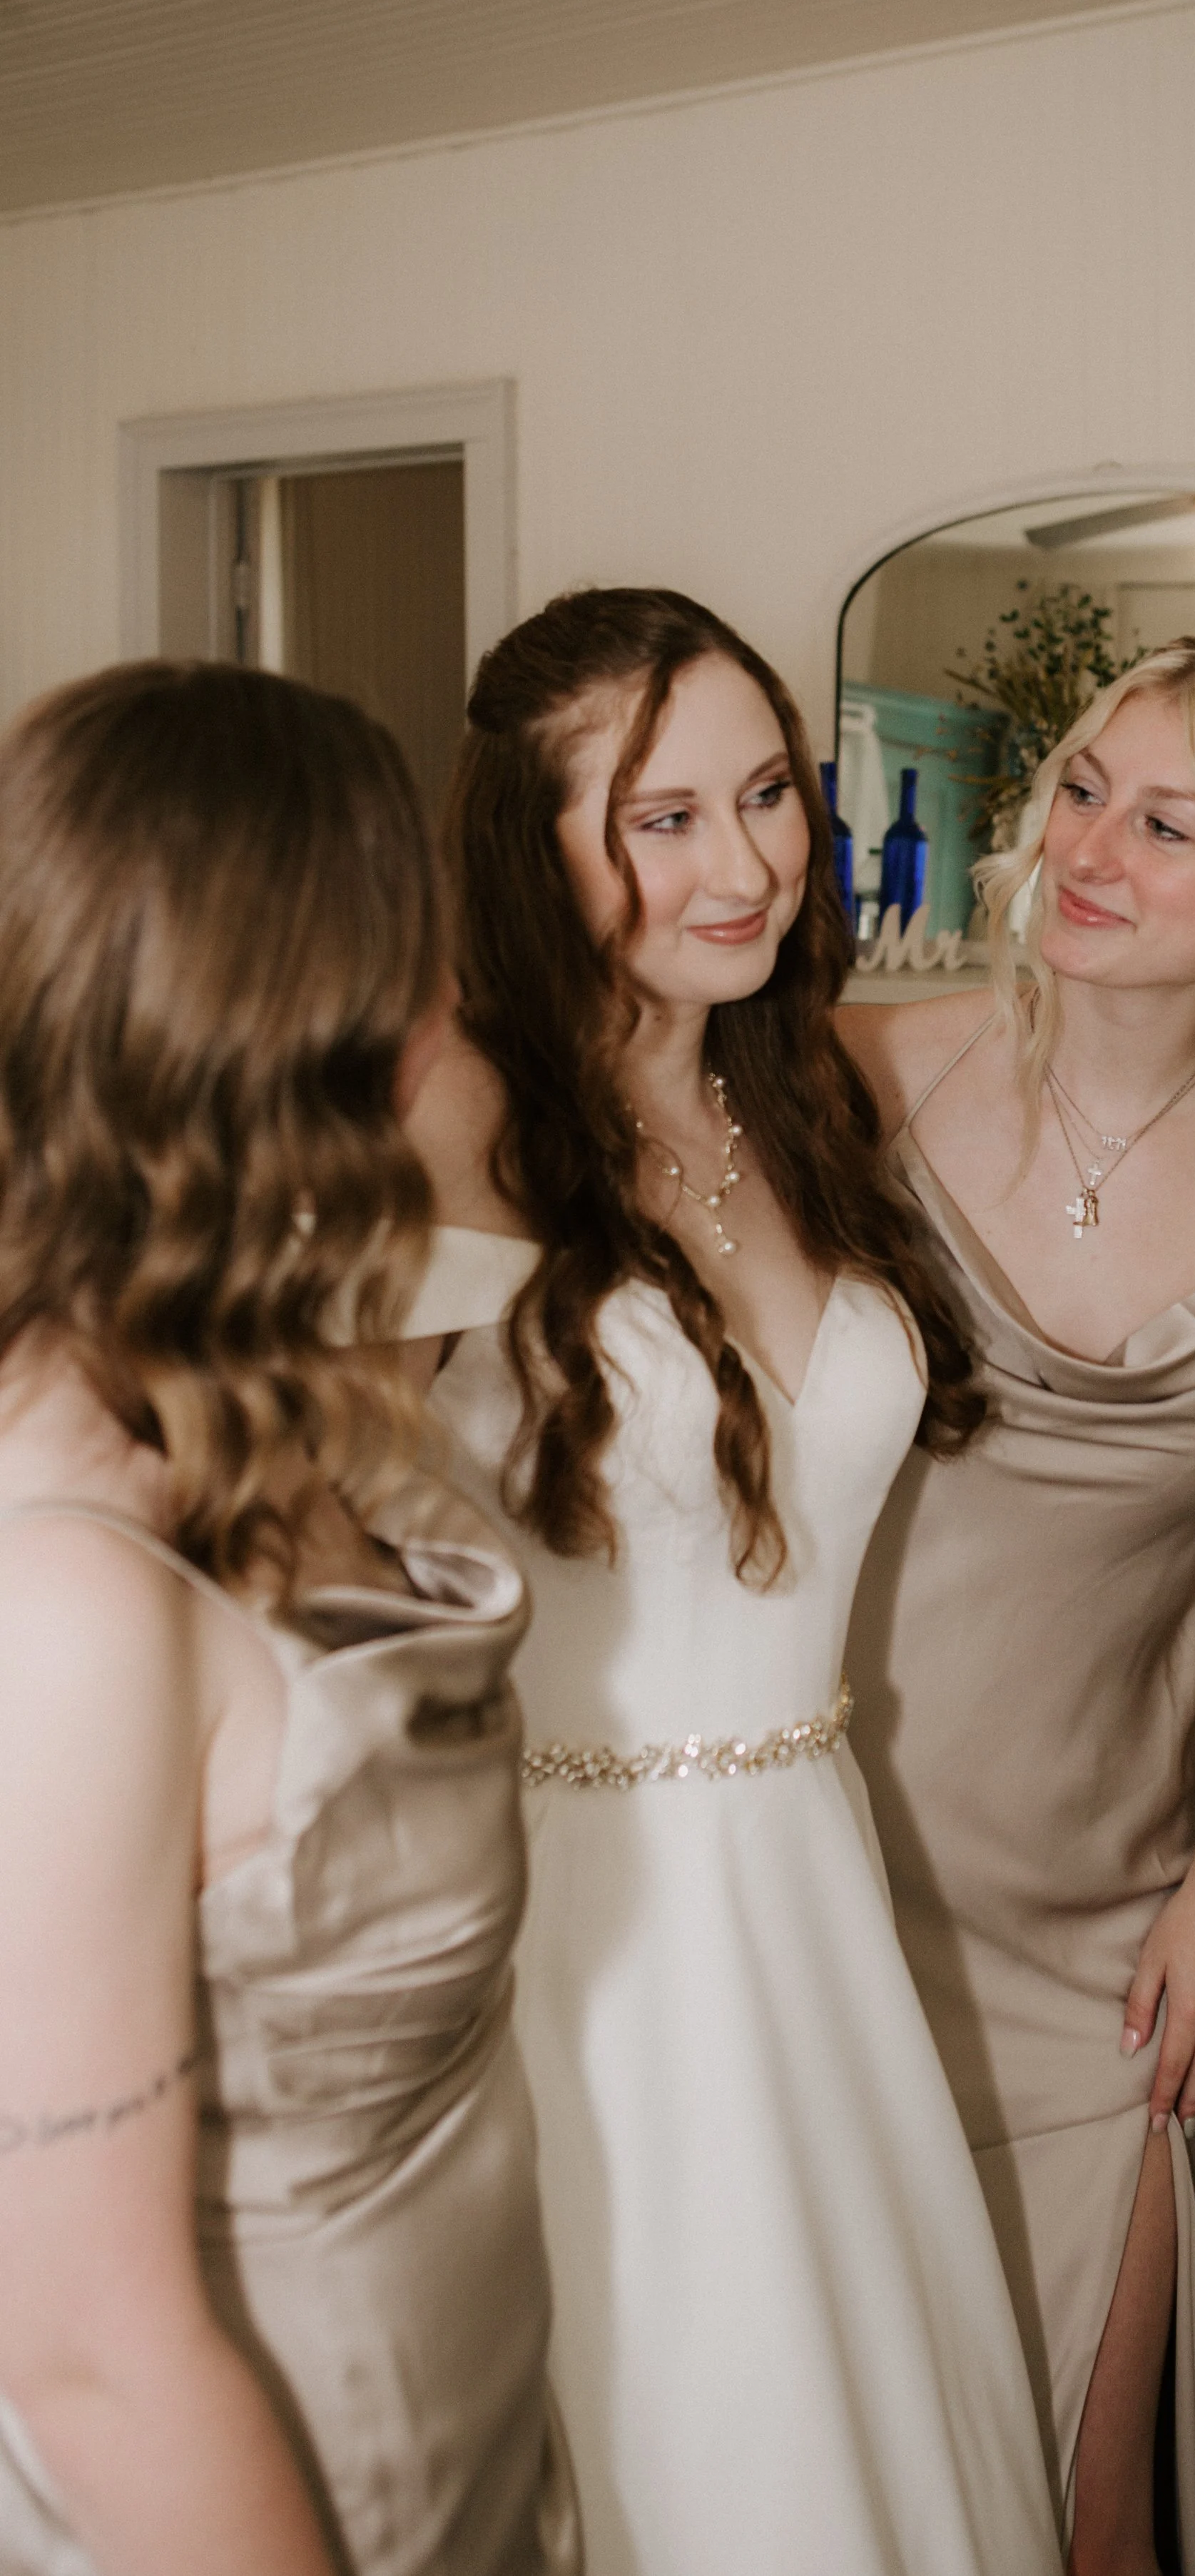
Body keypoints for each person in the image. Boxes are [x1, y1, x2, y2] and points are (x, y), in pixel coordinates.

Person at [402, 587, 1062, 2576]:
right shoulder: (460, 1112)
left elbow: (1110, 1036)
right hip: (576, 1931)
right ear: (532, 849)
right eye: (662, 818)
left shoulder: (800, 1091)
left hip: (810, 1877)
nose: (747, 863)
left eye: (767, 792)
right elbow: (265, 1487)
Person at [840, 635, 1195, 2576]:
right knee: (836, 2459)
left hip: (1102, 1909)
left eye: (1169, 825)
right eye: (1083, 789)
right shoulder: (864, 1068)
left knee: (1089, 2507)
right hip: (820, 1864)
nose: (1088, 849)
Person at [0, 662, 577, 2576]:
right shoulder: (68, 1596)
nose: (450, 1007)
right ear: (321, 1032)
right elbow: (87, 2357)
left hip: (461, 2420)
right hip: (290, 2492)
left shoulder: (238, 1378)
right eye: (417, 957)